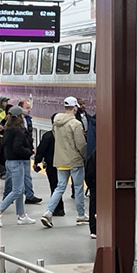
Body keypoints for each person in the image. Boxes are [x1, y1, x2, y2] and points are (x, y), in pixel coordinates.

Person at [41, 96, 88, 227]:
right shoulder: (76, 124)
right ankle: (80, 215)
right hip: (74, 160)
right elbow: (80, 144)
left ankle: (48, 212)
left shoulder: (56, 123)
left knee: (60, 187)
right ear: (74, 108)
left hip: (60, 160)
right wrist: (85, 156)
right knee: (78, 188)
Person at [0, 113, 36, 224]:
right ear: (19, 118)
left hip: (9, 162)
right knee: (18, 190)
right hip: (17, 163)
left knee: (19, 189)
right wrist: (29, 152)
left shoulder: (7, 131)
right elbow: (17, 147)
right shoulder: (18, 132)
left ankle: (21, 215)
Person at [33, 115, 65, 217]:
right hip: (64, 164)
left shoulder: (48, 136)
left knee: (55, 186)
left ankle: (58, 208)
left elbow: (41, 150)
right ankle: (79, 212)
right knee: (61, 186)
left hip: (52, 165)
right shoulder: (65, 135)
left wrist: (36, 162)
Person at [18, 100, 41, 204]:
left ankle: (29, 195)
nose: (29, 109)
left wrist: (30, 148)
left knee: (26, 175)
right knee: (14, 176)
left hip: (26, 152)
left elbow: (29, 136)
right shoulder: (17, 122)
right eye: (27, 107)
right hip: (19, 153)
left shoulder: (28, 120)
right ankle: (9, 195)